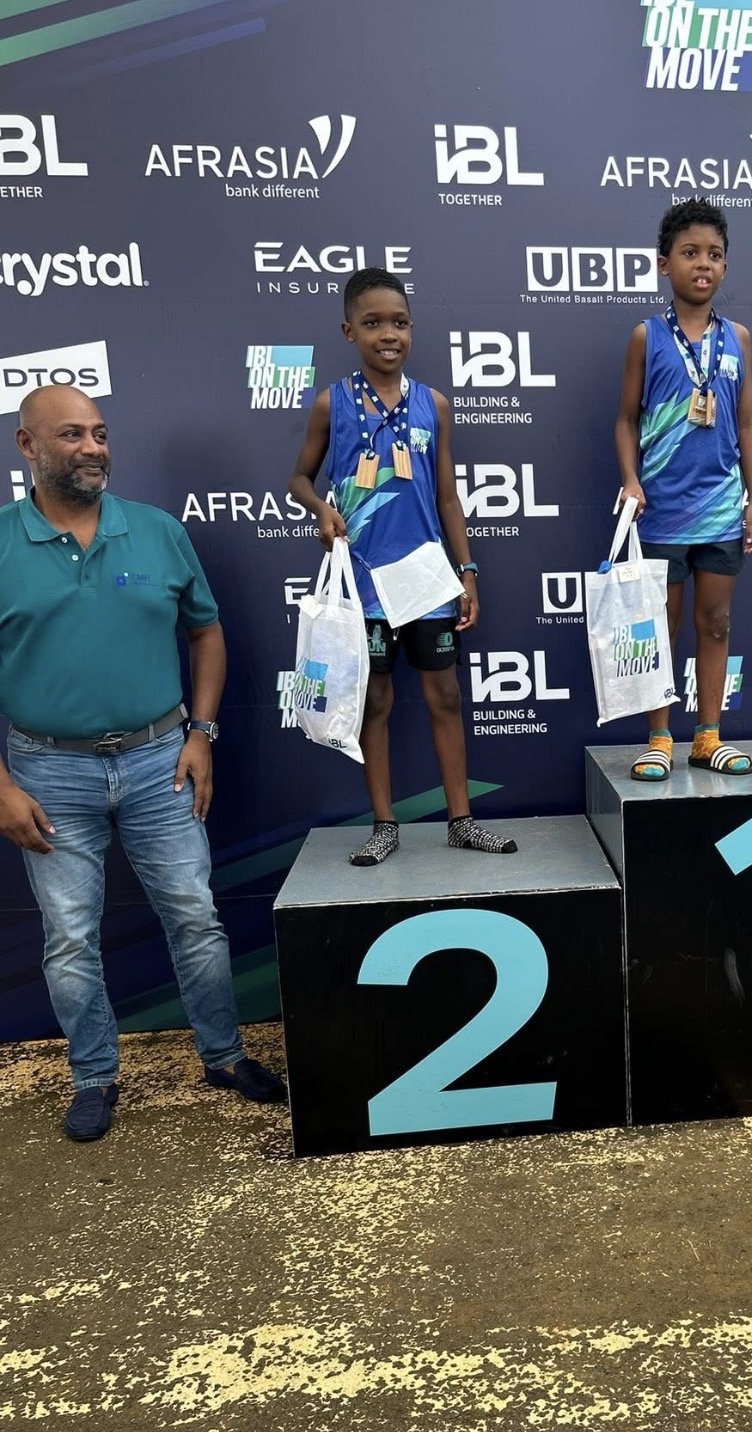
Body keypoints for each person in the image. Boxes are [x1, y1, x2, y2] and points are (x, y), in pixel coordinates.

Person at [0, 386, 286, 1141]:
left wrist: (202, 733)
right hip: (46, 772)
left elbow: (207, 632)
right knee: (69, 935)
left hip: (162, 760)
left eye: (99, 433)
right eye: (71, 435)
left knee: (195, 914)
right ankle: (94, 1075)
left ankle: (224, 1055)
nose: (93, 447)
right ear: (27, 446)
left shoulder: (158, 532)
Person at [290, 267, 514, 863]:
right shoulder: (331, 403)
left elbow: (447, 498)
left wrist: (467, 572)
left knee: (446, 697)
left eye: (400, 323)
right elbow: (298, 478)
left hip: (426, 581)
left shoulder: (433, 404)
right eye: (373, 323)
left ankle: (461, 820)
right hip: (363, 583)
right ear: (349, 331)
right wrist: (320, 507)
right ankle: (384, 824)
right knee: (375, 702)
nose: (388, 334)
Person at [614, 197, 752, 782]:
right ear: (664, 263)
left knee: (716, 622)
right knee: (661, 628)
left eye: (715, 255)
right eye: (690, 253)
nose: (703, 264)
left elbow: (746, 424)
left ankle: (708, 737)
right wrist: (631, 480)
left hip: (721, 510)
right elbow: (626, 419)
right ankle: (659, 739)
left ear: (725, 265)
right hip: (660, 512)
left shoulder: (739, 338)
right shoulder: (646, 337)